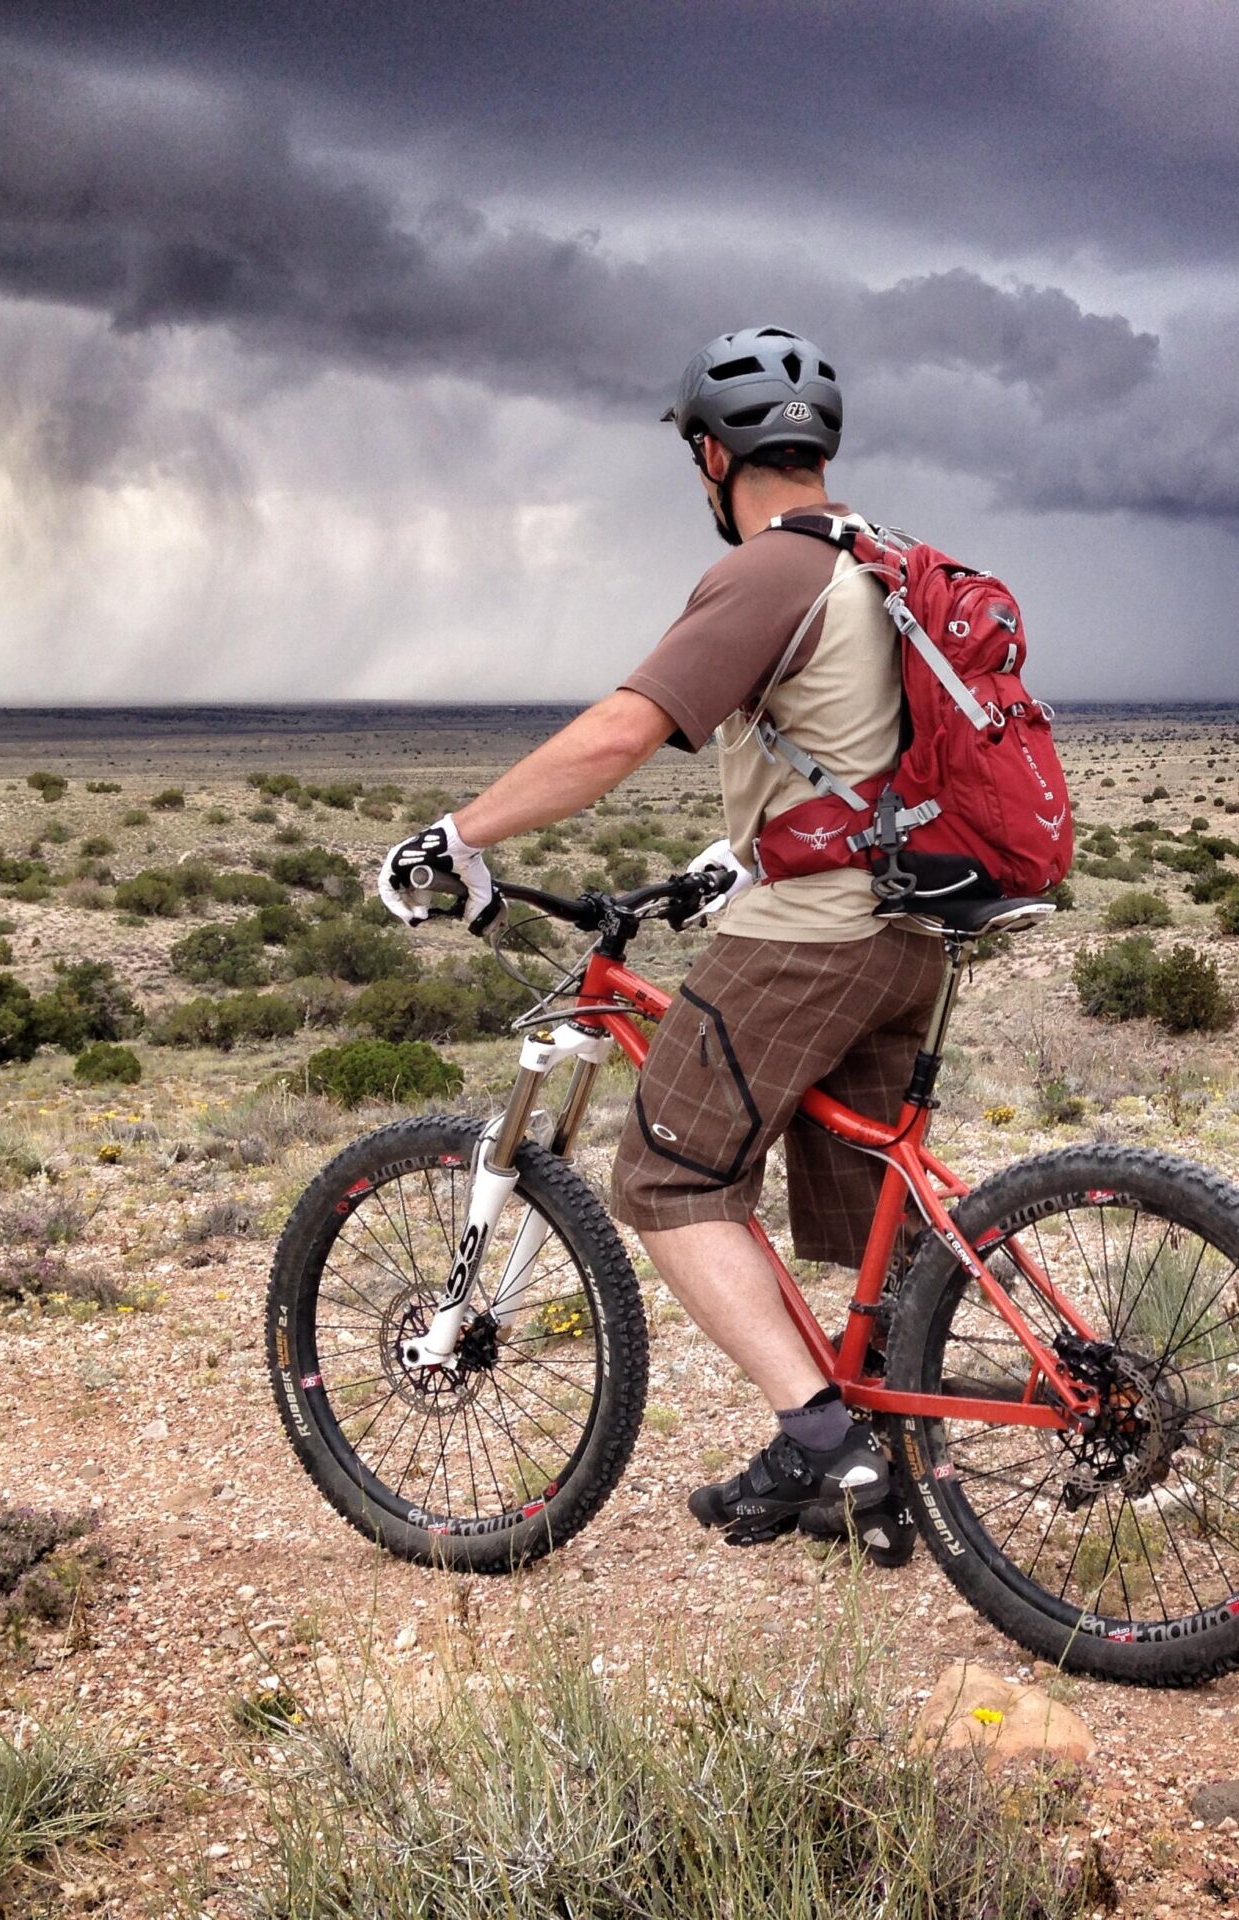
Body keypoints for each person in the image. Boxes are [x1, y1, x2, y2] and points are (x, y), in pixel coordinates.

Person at [377, 326, 937, 1545]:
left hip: (812, 939)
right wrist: (729, 860)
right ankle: (866, 1450)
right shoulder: (884, 566)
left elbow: (620, 734)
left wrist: (459, 836)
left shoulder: (767, 574)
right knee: (866, 1213)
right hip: (905, 935)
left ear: (709, 458)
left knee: (670, 1180)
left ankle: (836, 1456)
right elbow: (857, 758)